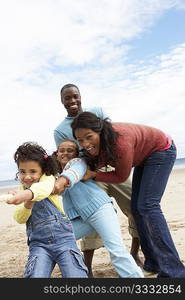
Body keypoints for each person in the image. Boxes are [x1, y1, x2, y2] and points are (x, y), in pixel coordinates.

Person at [70, 111, 185, 278]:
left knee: (148, 206)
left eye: (89, 137)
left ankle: (175, 272)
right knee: (137, 208)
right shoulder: (97, 145)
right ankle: (153, 263)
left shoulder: (119, 142)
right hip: (144, 156)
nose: (85, 143)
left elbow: (121, 176)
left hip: (161, 150)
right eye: (80, 140)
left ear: (100, 131)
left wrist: (94, 175)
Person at [53, 83, 143, 276]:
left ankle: (135, 253)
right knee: (91, 211)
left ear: (80, 95)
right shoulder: (60, 130)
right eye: (67, 98)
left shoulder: (97, 111)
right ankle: (88, 267)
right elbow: (68, 158)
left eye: (75, 96)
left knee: (135, 205)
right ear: (62, 101)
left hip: (111, 167)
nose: (72, 101)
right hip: (87, 174)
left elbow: (111, 138)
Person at [52, 139, 144, 278]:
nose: (65, 153)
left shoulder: (78, 163)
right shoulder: (54, 176)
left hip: (101, 210)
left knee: (117, 252)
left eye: (70, 150)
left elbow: (73, 173)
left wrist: (61, 182)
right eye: (61, 150)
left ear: (77, 154)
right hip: (81, 219)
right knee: (55, 240)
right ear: (57, 154)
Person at [6, 142, 88, 278]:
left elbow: (42, 190)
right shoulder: (22, 190)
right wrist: (27, 203)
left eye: (33, 171)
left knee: (76, 275)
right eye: (22, 172)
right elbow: (19, 218)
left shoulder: (48, 180)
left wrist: (26, 196)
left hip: (64, 240)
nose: (27, 177)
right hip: (39, 245)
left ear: (43, 171)